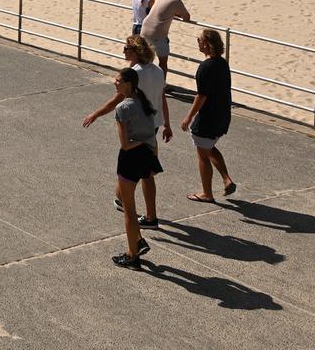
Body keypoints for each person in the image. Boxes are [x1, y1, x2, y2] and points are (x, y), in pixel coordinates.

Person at [84, 35, 171, 227]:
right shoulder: (158, 71)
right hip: (153, 126)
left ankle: (128, 205)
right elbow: (161, 98)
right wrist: (167, 124)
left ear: (136, 52)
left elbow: (116, 101)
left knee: (129, 170)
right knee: (147, 173)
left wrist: (95, 114)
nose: (123, 51)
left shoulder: (133, 74)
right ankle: (148, 214)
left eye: (126, 49)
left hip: (134, 127)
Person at [94, 67, 161, 270]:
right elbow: (151, 134)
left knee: (129, 210)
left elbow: (125, 144)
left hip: (131, 157)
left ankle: (132, 254)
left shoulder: (123, 108)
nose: (115, 83)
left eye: (118, 81)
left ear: (128, 84)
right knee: (130, 208)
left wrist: (137, 143)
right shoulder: (144, 101)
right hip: (148, 154)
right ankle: (138, 242)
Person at [181, 29, 236, 203]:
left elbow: (201, 96)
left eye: (199, 39)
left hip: (209, 117)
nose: (197, 41)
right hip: (223, 115)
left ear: (206, 44)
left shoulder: (205, 67)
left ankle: (207, 193)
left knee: (202, 155)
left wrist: (188, 117)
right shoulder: (222, 63)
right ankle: (227, 179)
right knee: (209, 146)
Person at [141, 0, 191, 75]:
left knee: (146, 61)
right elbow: (187, 17)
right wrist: (176, 13)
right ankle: (161, 86)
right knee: (163, 64)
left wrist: (173, 13)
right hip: (157, 34)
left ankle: (145, 82)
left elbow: (163, 11)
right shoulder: (176, 0)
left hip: (144, 30)